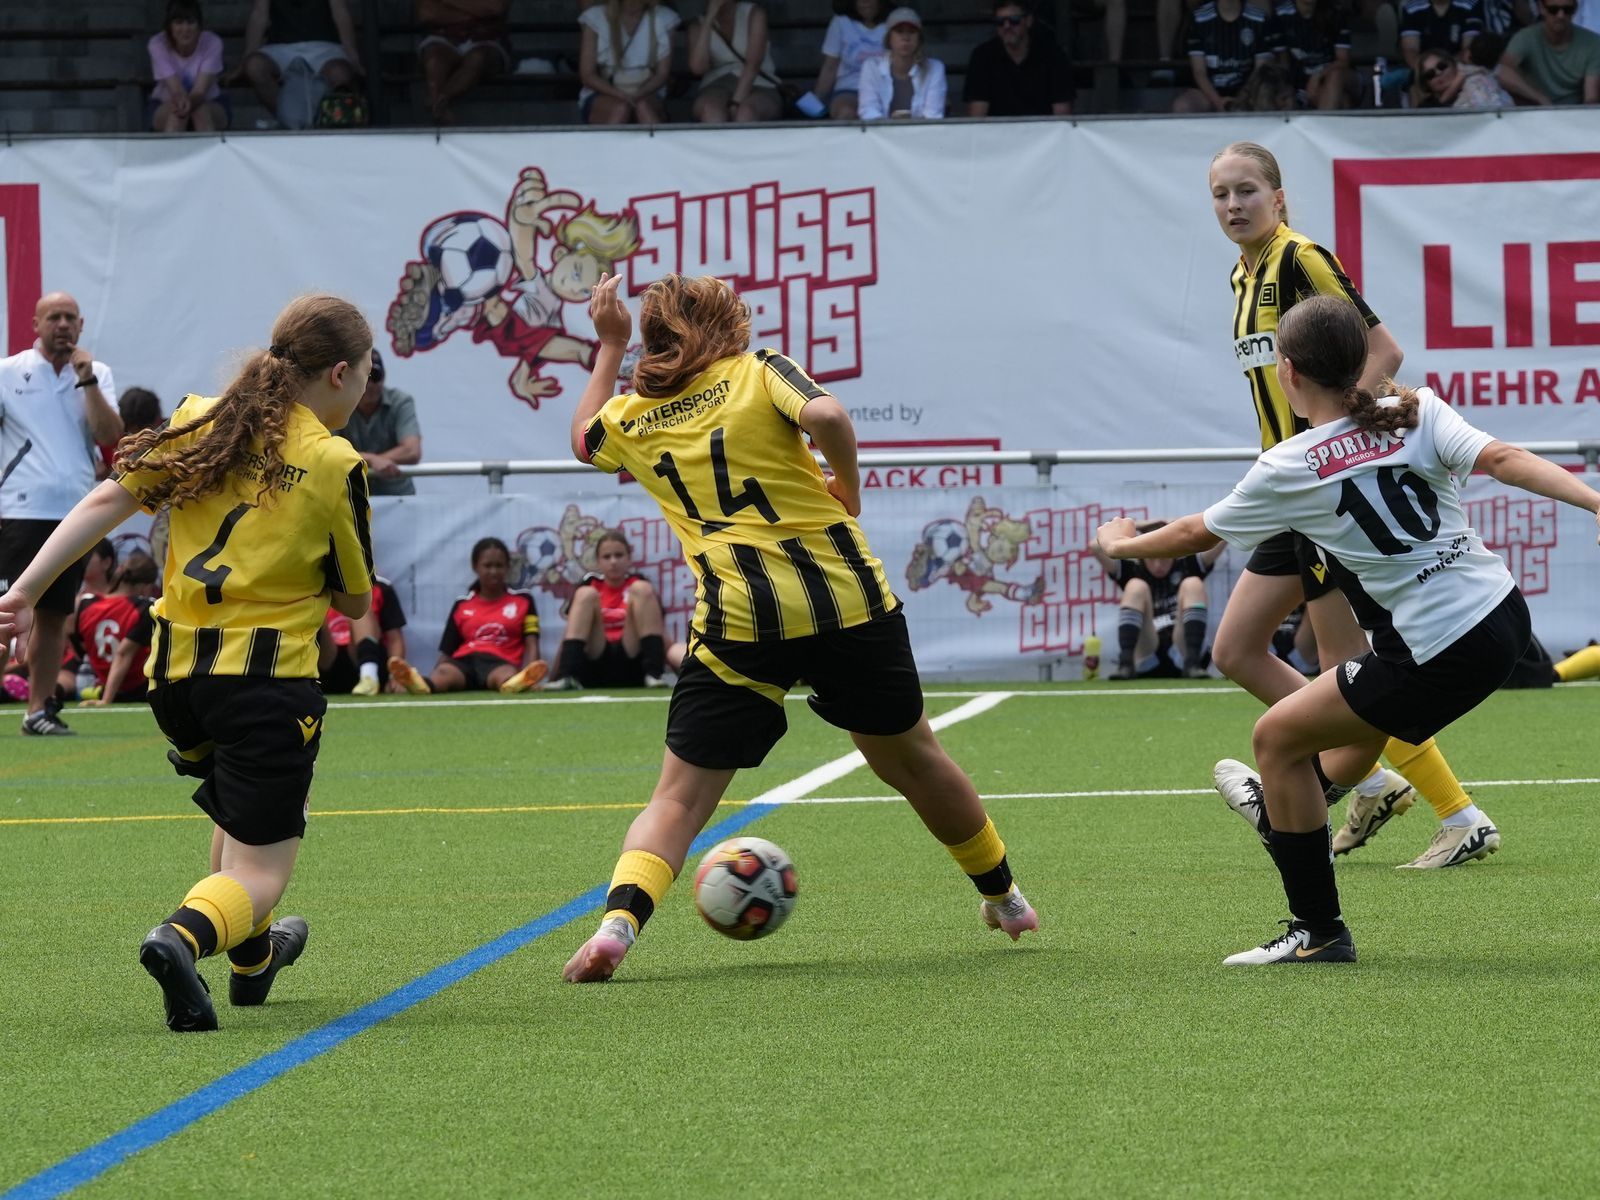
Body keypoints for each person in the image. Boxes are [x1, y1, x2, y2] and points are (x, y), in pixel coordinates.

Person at [560, 273, 1039, 983]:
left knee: (680, 796)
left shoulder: (632, 417)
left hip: (739, 618)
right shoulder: (758, 371)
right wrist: (848, 486)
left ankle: (618, 926)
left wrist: (608, 345)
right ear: (726, 323)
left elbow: (582, 438)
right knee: (910, 757)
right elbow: (831, 417)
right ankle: (1006, 899)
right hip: (845, 601)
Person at [1097, 296, 1600, 963]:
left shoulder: (1289, 464)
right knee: (1347, 726)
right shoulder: (1415, 408)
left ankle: (1317, 926)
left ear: (1288, 373)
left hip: (1436, 650)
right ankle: (1304, 810)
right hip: (1504, 617)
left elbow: (1193, 532)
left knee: (1275, 737)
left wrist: (1121, 541)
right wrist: (1595, 501)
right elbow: (1504, 458)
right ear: (1361, 362)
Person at [0, 293, 376, 1030]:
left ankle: (252, 960)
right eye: (365, 375)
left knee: (239, 814)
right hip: (265, 684)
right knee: (263, 870)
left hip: (174, 681)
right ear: (339, 374)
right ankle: (182, 935)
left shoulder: (203, 418)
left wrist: (23, 588)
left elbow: (106, 499)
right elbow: (356, 601)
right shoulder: (333, 460)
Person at [1206, 141, 1495, 869]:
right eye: (1220, 194)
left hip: (1324, 490)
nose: (1233, 205)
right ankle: (1370, 779)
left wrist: (1340, 438)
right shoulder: (1240, 277)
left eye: (1247, 190)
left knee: (1351, 670)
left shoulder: (1302, 258)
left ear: (1278, 196)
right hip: (1292, 494)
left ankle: (1454, 814)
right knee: (1237, 649)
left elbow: (1385, 351)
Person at [0, 292, 124, 736]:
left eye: (71, 317)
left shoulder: (96, 373)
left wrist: (86, 380)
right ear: (35, 323)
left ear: (82, 324)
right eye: (54, 317)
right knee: (8, 613)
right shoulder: (7, 371)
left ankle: (37, 711)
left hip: (73, 513)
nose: (63, 325)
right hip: (18, 510)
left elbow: (110, 435)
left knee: (54, 616)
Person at [388, 537, 548, 694]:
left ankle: (520, 683)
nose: (493, 571)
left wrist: (534, 674)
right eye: (487, 565)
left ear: (507, 568)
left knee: (506, 676)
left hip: (500, 662)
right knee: (444, 673)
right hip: (464, 663)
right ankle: (420, 685)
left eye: (499, 566)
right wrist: (437, 673)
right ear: (475, 567)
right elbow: (448, 651)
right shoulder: (462, 604)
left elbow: (531, 641)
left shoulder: (524, 600)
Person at [541, 530, 673, 691]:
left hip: (632, 661)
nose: (613, 562)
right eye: (607, 557)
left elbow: (659, 631)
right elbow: (569, 632)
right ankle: (568, 677)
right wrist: (552, 678)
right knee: (585, 593)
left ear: (629, 558)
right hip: (596, 661)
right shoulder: (590, 583)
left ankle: (654, 674)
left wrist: (678, 666)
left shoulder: (639, 584)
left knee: (642, 588)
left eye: (619, 555)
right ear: (598, 561)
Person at [1090, 524, 1223, 679]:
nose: (1158, 565)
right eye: (1152, 557)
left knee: (1193, 582)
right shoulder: (1134, 570)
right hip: (1147, 653)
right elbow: (1095, 545)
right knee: (1135, 585)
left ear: (1173, 552)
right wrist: (1140, 526)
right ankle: (1126, 665)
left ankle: (1193, 664)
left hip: (1182, 652)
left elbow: (1221, 537)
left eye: (1164, 557)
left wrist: (1174, 527)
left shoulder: (1186, 565)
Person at [236, 0, 363, 122]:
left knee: (339, 73)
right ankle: (288, 120)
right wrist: (245, 58)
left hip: (325, 45)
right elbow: (259, 14)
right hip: (280, 46)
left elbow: (340, 12)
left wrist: (352, 55)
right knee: (254, 66)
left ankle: (321, 119)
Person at [75, 551, 160, 705]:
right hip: (138, 688)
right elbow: (123, 654)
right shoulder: (144, 607)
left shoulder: (85, 604)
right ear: (146, 586)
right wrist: (107, 699)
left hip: (105, 683)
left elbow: (78, 644)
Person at [333, 350, 421, 497]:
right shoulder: (338, 403)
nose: (371, 384)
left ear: (384, 376)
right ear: (353, 379)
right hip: (352, 496)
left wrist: (366, 460)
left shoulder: (401, 401)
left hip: (397, 499)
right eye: (366, 377)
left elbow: (412, 451)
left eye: (376, 376)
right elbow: (328, 451)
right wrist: (372, 460)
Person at [578, 0, 680, 125]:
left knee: (643, 107)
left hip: (647, 91)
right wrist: (622, 96)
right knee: (621, 109)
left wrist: (637, 95)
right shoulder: (595, 17)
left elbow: (662, 74)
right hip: (605, 92)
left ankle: (658, 144)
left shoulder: (665, 17)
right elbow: (588, 75)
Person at [964, 0, 1074, 116]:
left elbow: (1062, 119)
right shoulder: (982, 56)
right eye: (1000, 22)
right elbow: (977, 118)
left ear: (1029, 21)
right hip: (996, 133)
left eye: (1014, 20)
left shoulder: (1053, 54)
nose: (1007, 26)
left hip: (1044, 132)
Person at [687, 0, 784, 123]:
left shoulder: (754, 13)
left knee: (746, 113)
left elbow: (753, 65)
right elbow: (698, 68)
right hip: (716, 85)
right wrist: (709, 18)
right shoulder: (697, 24)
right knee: (712, 112)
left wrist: (735, 103)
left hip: (760, 84)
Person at [417, 0, 511, 124]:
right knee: (434, 59)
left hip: (486, 39)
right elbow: (426, 14)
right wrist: (475, 12)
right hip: (443, 37)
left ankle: (441, 99)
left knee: (477, 58)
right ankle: (439, 103)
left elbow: (495, 8)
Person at [1173, 0, 1276, 111]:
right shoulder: (1199, 18)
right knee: (1183, 105)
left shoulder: (1260, 18)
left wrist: (1240, 99)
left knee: (1267, 100)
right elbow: (1199, 72)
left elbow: (1259, 71)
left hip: (1248, 92)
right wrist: (1218, 101)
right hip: (1208, 92)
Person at [148, 0, 231, 132]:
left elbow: (199, 92)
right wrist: (182, 103)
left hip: (211, 102)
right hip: (165, 103)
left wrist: (189, 103)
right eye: (179, 23)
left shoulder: (213, 43)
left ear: (199, 26)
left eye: (191, 22)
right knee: (178, 115)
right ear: (169, 26)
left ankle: (208, 152)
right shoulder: (157, 44)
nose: (185, 29)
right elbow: (176, 90)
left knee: (200, 111)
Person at [319, 574, 407, 695]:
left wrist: (396, 676)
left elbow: (395, 639)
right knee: (315, 614)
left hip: (364, 656)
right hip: (326, 662)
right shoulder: (316, 585)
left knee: (360, 608)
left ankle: (369, 676)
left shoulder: (381, 586)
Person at [1497, 0, 1600, 103]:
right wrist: (1539, 98)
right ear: (1541, 8)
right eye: (1553, 10)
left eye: (1567, 10)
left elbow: (1591, 98)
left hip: (1574, 113)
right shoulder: (1526, 37)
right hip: (1534, 112)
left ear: (1575, 9)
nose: (1560, 15)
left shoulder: (1593, 43)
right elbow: (1502, 71)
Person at [858, 7, 947, 118]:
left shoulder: (935, 68)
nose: (905, 37)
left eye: (912, 32)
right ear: (889, 38)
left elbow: (933, 115)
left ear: (919, 38)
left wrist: (910, 123)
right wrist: (892, 124)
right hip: (880, 135)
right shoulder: (871, 67)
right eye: (899, 31)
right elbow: (868, 112)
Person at [809, 0, 890, 121]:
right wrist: (816, 101)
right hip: (850, 89)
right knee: (846, 112)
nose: (865, 2)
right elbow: (830, 67)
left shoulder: (894, 21)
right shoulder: (840, 22)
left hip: (886, 88)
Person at [1272, 0, 1356, 108]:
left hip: (1336, 76)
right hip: (1301, 83)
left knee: (1335, 76)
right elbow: (1282, 62)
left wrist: (1317, 76)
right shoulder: (1281, 16)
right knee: (1343, 100)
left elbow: (1343, 61)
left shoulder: (1334, 14)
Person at [1399, 0, 1483, 84]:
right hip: (1424, 72)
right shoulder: (1412, 7)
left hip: (1458, 68)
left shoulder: (1470, 4)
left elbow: (1468, 49)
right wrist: (1428, 71)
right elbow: (1410, 49)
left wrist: (1444, 69)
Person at [1418, 44, 1515, 101]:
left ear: (1454, 64)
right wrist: (1460, 78)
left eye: (1442, 66)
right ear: (1426, 83)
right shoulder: (1426, 106)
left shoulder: (1476, 80)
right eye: (1430, 74)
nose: (1438, 73)